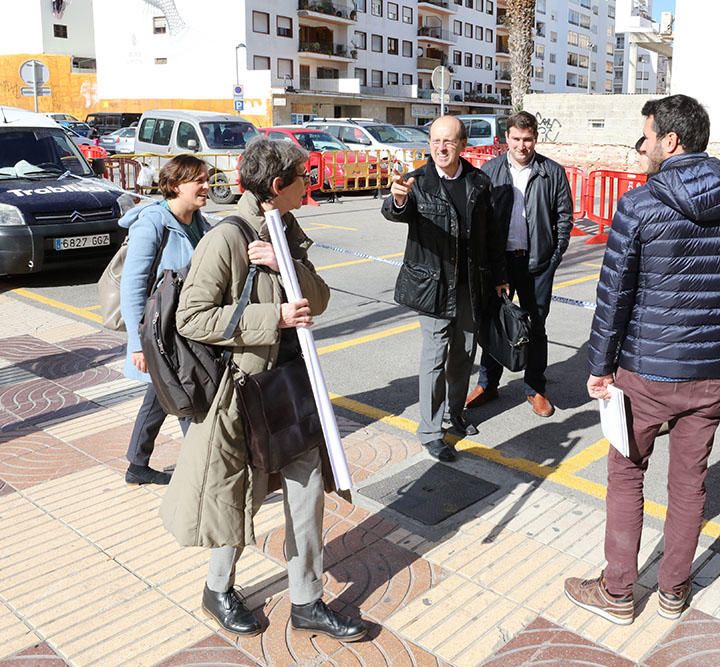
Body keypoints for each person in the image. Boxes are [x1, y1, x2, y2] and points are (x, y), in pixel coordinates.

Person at [563, 95, 720, 625]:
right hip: (710, 373)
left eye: (648, 135)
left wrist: (599, 366)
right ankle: (674, 591)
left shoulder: (639, 205)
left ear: (671, 141)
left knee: (627, 476)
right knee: (690, 484)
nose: (644, 145)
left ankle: (617, 593)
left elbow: (614, 295)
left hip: (644, 372)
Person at [159, 138, 366, 642]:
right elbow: (191, 317)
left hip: (291, 385)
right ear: (278, 186)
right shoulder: (227, 238)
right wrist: (271, 316)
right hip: (244, 393)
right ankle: (217, 588)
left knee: (307, 491)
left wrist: (283, 265)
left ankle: (307, 601)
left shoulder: (285, 229)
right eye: (303, 177)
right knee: (241, 496)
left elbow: (317, 299)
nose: (309, 185)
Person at [382, 116, 507, 461]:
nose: (441, 148)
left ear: (463, 145)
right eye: (436, 141)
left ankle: (456, 412)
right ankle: (431, 431)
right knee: (434, 358)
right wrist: (398, 200)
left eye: (449, 141)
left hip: (471, 285)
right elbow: (394, 211)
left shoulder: (478, 182)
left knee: (464, 354)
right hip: (432, 286)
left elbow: (491, 236)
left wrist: (499, 275)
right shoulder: (416, 181)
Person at [465, 111, 573, 418]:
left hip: (537, 263)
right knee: (495, 325)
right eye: (516, 139)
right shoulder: (489, 171)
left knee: (536, 327)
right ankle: (488, 384)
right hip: (500, 264)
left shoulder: (552, 172)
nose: (522, 145)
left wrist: (554, 257)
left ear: (536, 139)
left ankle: (535, 387)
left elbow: (564, 218)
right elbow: (480, 220)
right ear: (506, 138)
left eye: (527, 139)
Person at [119, 155, 211, 485]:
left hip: (186, 331)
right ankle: (206, 472)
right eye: (198, 180)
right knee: (190, 397)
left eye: (207, 178)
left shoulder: (200, 222)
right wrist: (137, 345)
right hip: (159, 335)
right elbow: (132, 287)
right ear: (174, 186)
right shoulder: (152, 224)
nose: (206, 186)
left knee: (161, 395)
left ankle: (137, 464)